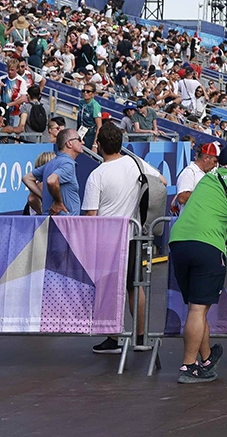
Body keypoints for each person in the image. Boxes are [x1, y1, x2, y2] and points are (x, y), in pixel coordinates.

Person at [169, 140, 227, 383]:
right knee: (198, 309)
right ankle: (188, 367)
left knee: (197, 307)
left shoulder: (206, 179)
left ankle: (206, 359)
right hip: (208, 245)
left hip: (179, 241)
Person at [83, 122, 157, 355]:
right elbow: (161, 182)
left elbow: (91, 215)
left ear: (99, 146)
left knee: (110, 288)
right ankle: (142, 337)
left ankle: (113, 338)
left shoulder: (97, 175)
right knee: (136, 286)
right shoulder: (136, 163)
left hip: (108, 240)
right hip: (133, 234)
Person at [23, 128, 84, 215]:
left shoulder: (51, 163)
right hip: (65, 224)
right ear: (69, 143)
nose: (82, 142)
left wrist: (43, 196)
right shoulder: (67, 163)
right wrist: (58, 202)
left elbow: (27, 178)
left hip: (53, 222)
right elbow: (51, 180)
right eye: (79, 139)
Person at [173, 142, 221, 213]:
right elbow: (182, 198)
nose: (215, 165)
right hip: (190, 221)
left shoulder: (208, 173)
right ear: (206, 158)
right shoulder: (190, 172)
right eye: (214, 161)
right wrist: (208, 194)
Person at [77, 83, 103, 150]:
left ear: (93, 94)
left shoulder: (95, 106)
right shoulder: (81, 102)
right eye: (84, 91)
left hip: (91, 135)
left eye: (88, 91)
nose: (85, 93)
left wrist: (95, 144)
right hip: (80, 132)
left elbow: (99, 126)